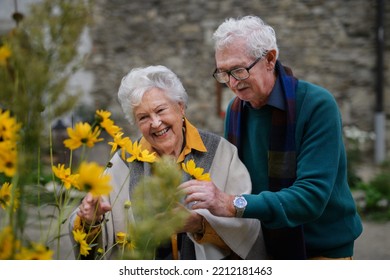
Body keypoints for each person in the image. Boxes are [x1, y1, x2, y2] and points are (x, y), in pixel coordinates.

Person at [180, 15, 363, 260]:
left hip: (322, 251)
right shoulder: (236, 110)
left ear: (270, 59)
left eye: (239, 70)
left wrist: (232, 204)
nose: (233, 83)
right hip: (263, 248)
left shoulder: (317, 105)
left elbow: (311, 197)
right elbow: (236, 183)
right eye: (224, 73)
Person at [69, 65, 266, 260]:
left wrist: (200, 225)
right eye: (143, 117)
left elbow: (247, 227)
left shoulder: (221, 152)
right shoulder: (123, 162)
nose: (155, 123)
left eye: (160, 110)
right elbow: (94, 239)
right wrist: (89, 222)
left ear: (180, 107)